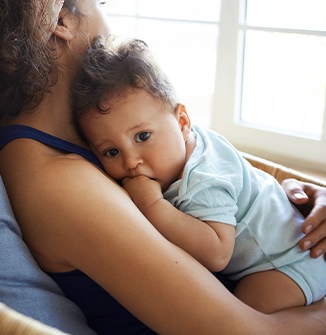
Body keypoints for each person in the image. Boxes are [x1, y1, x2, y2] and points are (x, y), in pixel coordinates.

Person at [0, 1, 326, 334]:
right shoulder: (57, 181)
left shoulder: (87, 135)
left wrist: (286, 203)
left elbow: (215, 179)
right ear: (59, 19)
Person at [72, 37, 326, 314]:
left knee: (239, 315)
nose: (131, 162)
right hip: (287, 245)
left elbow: (218, 253)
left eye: (142, 136)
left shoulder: (203, 180)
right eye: (110, 152)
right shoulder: (186, 144)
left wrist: (152, 206)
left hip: (289, 262)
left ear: (182, 122)